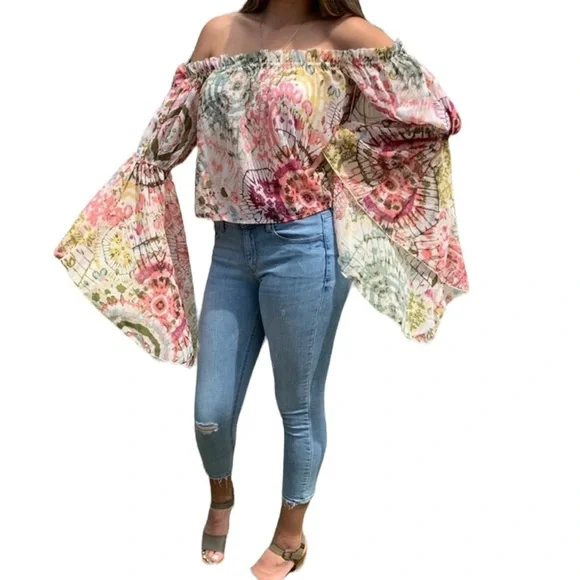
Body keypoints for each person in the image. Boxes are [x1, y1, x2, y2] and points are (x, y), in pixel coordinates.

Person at [54, 0, 468, 577]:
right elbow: (167, 135)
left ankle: (290, 535)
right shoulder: (220, 33)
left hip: (306, 245)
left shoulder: (347, 36)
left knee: (296, 403)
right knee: (210, 412)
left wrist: (349, 162)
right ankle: (222, 494)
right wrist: (118, 208)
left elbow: (434, 115)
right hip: (230, 245)